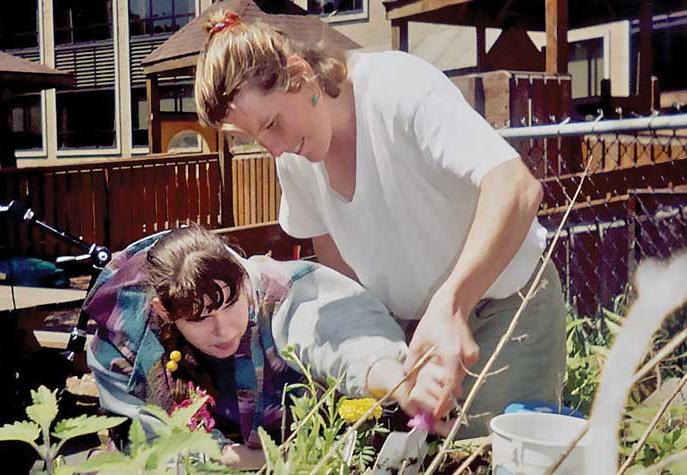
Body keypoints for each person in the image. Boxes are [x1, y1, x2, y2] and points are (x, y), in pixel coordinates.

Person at [194, 11, 566, 436]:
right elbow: (340, 272)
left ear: (298, 74)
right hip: (418, 334)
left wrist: (452, 305)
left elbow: (516, 187)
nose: (275, 149)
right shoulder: (296, 160)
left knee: (493, 455)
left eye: (272, 125)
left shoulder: (396, 88)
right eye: (258, 141)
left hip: (506, 309)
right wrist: (386, 349)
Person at [86, 225, 415, 466]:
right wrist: (262, 460)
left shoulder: (280, 293)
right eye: (200, 318)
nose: (223, 329)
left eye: (230, 304)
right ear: (164, 311)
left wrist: (392, 377)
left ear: (243, 281)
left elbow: (345, 333)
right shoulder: (124, 345)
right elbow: (154, 450)